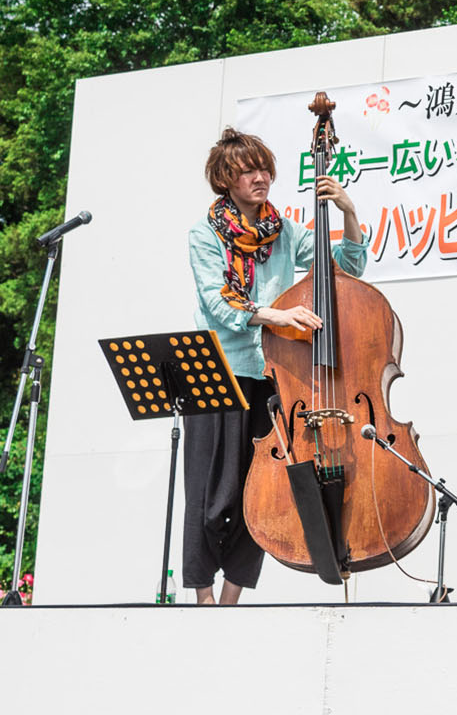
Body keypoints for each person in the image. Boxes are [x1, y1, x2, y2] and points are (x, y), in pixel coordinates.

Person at [184, 126, 367, 605]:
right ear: (226, 179)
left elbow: (346, 265)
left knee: (257, 495)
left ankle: (229, 601)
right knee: (208, 499)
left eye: (264, 168)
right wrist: (277, 317)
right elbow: (219, 302)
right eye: (247, 171)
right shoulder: (205, 235)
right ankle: (201, 597)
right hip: (216, 372)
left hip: (270, 377)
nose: (260, 177)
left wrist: (348, 213)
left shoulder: (283, 231)